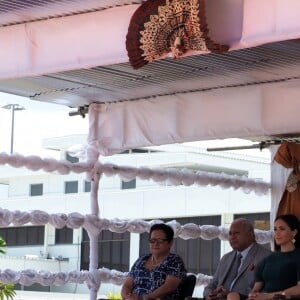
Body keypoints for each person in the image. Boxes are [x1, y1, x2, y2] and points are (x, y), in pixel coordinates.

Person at [203, 218, 271, 300]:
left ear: (250, 234)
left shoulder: (266, 257)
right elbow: (212, 284)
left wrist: (230, 294)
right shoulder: (226, 258)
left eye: (236, 233)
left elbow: (264, 290)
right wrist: (209, 294)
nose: (232, 237)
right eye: (230, 234)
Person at [121, 223, 187, 300]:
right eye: (152, 240)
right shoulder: (141, 260)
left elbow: (170, 286)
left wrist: (144, 298)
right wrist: (127, 296)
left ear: (170, 243)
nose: (155, 244)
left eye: (160, 240)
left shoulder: (175, 261)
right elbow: (127, 284)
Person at [245, 214, 300, 300]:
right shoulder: (267, 259)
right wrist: (253, 295)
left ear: (294, 232)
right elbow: (256, 289)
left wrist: (269, 296)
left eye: (282, 229)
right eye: (275, 229)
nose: (277, 233)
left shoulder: (297, 256)